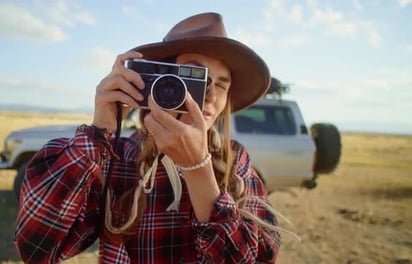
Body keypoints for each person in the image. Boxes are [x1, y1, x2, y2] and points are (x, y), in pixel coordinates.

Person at [14, 12, 281, 263]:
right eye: (195, 76)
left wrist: (199, 170)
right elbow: (38, 249)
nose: (210, 95)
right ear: (159, 79)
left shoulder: (236, 161)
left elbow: (260, 257)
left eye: (222, 84)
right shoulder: (116, 157)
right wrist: (98, 133)